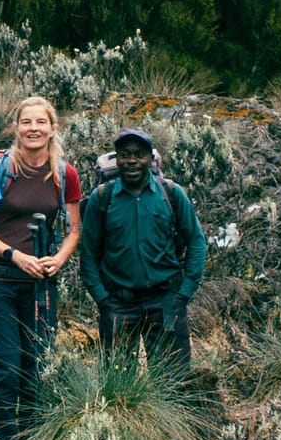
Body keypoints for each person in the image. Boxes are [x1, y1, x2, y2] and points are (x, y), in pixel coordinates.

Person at [0, 96, 84, 440]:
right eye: (26, 122)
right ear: (16, 128)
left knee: (37, 368)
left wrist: (59, 258)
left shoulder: (64, 175)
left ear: (53, 128)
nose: (33, 129)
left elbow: (73, 230)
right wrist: (13, 256)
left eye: (41, 122)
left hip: (39, 288)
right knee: (7, 369)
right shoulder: (0, 171)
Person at [78, 127, 207, 373]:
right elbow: (89, 254)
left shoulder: (171, 193)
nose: (132, 160)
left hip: (167, 302)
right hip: (117, 304)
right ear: (117, 158)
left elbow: (197, 242)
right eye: (125, 154)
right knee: (117, 386)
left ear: (150, 158)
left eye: (139, 154)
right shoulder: (102, 198)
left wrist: (184, 293)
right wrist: (103, 300)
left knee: (175, 383)